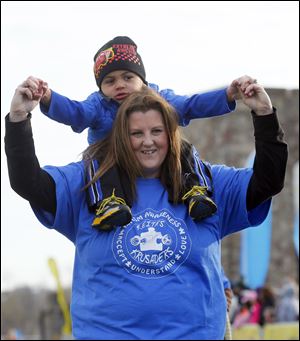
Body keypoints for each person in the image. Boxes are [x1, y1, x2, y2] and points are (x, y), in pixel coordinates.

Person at [5, 77, 287, 340]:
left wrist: (264, 115)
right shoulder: (90, 183)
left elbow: (268, 181)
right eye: (135, 133)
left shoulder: (205, 185)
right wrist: (18, 120)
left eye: (157, 131)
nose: (148, 141)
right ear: (119, 138)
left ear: (171, 134)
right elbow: (30, 184)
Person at [35, 35, 254, 231]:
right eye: (110, 81)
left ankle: (195, 192)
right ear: (101, 88)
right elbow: (76, 113)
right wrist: (48, 98)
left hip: (153, 158)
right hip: (112, 162)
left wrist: (227, 95)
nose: (120, 85)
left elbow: (189, 105)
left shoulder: (159, 98)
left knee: (183, 148)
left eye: (128, 77)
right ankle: (110, 203)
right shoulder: (98, 105)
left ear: (143, 80)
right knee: (96, 157)